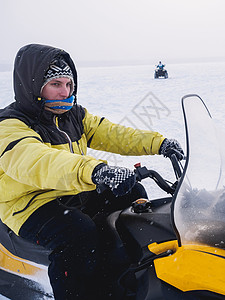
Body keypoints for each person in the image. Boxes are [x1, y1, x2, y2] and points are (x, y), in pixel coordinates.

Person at [0, 44, 184, 300]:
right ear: (32, 86)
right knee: (78, 234)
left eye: (69, 84)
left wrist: (159, 143)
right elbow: (39, 161)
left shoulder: (73, 115)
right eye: (56, 84)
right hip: (29, 202)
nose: (64, 92)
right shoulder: (10, 125)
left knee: (134, 195)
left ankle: (123, 275)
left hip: (72, 187)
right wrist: (95, 170)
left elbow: (112, 133)